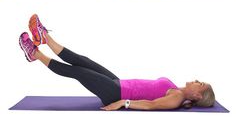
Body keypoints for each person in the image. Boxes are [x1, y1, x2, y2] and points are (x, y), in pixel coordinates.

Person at [19, 14, 215, 111]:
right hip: (119, 83)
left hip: (116, 93)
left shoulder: (177, 98)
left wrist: (123, 103)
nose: (197, 80)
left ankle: (35, 54)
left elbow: (151, 105)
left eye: (200, 84)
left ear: (198, 95)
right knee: (83, 61)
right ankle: (45, 38)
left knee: (78, 71)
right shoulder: (176, 89)